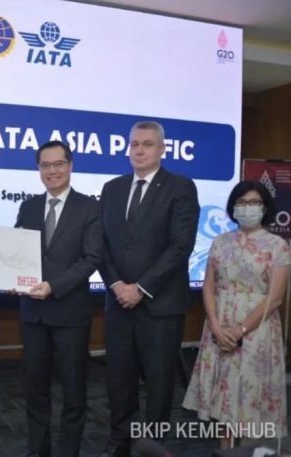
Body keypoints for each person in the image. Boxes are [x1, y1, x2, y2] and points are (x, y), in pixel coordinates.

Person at [99, 120, 200, 457]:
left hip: (160, 306)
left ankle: (153, 448)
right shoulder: (112, 188)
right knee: (119, 381)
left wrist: (140, 288)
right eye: (134, 144)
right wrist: (116, 284)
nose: (139, 150)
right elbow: (102, 245)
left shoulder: (181, 187)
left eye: (147, 144)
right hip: (118, 303)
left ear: (162, 149)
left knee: (159, 384)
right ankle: (119, 443)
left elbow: (180, 246)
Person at [183, 181, 291, 448]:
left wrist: (240, 329)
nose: (247, 207)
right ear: (233, 207)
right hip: (219, 326)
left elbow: (275, 297)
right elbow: (209, 286)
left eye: (254, 202)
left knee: (250, 397)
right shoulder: (220, 242)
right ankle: (227, 452)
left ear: (264, 208)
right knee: (224, 398)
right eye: (241, 202)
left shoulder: (277, 245)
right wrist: (216, 326)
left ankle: (250, 451)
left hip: (256, 329)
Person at [15, 140, 102, 457]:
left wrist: (53, 285)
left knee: (73, 393)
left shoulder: (90, 208)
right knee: (35, 391)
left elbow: (91, 259)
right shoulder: (28, 207)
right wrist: (12, 278)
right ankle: (38, 451)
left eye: (58, 164)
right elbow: (17, 252)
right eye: (45, 165)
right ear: (39, 169)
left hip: (70, 314)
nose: (52, 171)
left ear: (70, 165)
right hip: (33, 315)